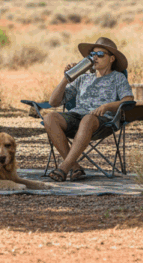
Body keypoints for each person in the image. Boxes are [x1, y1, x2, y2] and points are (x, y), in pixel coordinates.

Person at [43, 36, 133, 182]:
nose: (95, 58)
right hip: (77, 117)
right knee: (49, 118)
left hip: (103, 122)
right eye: (92, 55)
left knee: (88, 118)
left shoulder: (118, 78)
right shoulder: (83, 77)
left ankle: (64, 168)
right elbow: (53, 102)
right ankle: (75, 167)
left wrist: (106, 106)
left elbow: (128, 100)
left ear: (111, 59)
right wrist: (66, 78)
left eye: (100, 54)